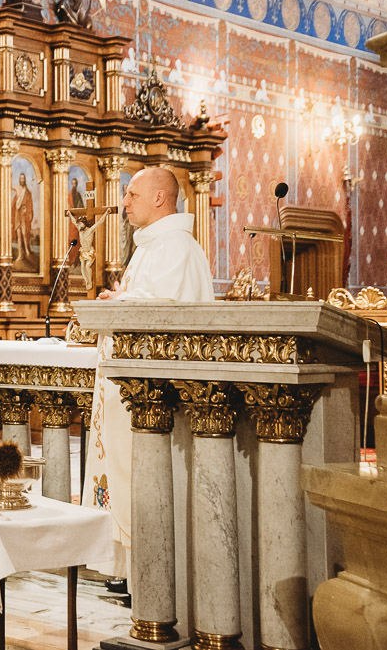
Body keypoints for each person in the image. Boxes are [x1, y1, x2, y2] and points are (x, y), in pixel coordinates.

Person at [85, 167, 214, 586]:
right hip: (133, 392)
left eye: (131, 193)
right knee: (122, 472)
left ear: (160, 198)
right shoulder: (151, 246)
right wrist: (120, 300)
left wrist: (122, 300)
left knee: (144, 476)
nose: (124, 202)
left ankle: (152, 570)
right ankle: (130, 568)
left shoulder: (175, 246)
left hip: (155, 396)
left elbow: (163, 311)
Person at [12, 172, 34, 264]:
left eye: (23, 178)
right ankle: (21, 255)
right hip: (17, 214)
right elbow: (8, 186)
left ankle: (28, 252)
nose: (22, 180)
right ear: (19, 180)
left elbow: (30, 204)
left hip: (24, 215)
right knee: (19, 234)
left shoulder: (27, 192)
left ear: (25, 180)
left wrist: (28, 211)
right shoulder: (17, 189)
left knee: (25, 233)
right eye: (20, 178)